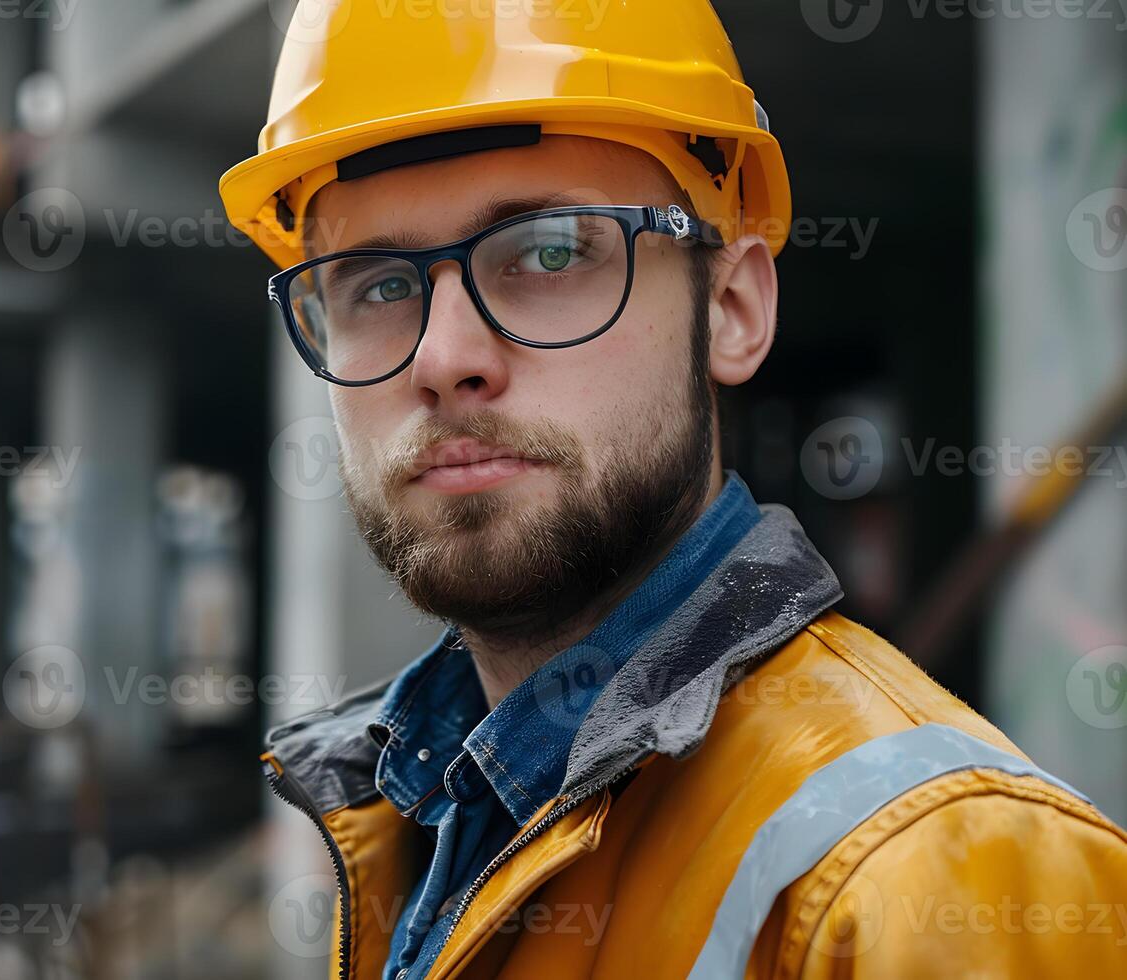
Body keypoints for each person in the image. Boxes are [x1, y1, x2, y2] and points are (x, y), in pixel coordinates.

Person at [218, 2, 1127, 977]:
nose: (443, 358)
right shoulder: (420, 812)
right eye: (376, 284)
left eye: (549, 251)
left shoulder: (944, 877)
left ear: (731, 308)